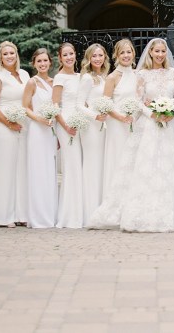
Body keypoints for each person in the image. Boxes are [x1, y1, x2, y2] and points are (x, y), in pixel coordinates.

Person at [92, 38, 174, 232]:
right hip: (149, 126)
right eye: (157, 51)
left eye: (163, 51)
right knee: (148, 167)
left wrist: (172, 113)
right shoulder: (142, 74)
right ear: (150, 53)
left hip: (171, 126)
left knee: (172, 167)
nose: (160, 54)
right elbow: (138, 100)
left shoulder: (172, 72)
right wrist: (153, 114)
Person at [0, 41, 30, 228]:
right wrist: (8, 123)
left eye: (12, 53)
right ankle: (4, 216)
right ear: (0, 57)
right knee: (6, 170)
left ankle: (21, 213)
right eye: (6, 54)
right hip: (2, 126)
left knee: (21, 169)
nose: (9, 56)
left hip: (22, 125)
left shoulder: (24, 74)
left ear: (16, 54)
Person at [22, 48, 58, 229]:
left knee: (50, 171)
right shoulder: (32, 82)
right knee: (38, 171)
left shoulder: (55, 82)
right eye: (39, 61)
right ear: (34, 64)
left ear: (50, 62)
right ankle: (38, 217)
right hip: (37, 130)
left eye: (45, 61)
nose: (43, 64)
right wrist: (39, 119)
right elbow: (25, 107)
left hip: (51, 131)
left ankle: (51, 213)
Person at [76, 43, 110, 223]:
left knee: (101, 165)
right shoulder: (87, 78)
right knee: (91, 164)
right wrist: (95, 116)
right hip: (91, 127)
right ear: (88, 58)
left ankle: (100, 208)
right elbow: (79, 104)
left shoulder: (103, 77)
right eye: (94, 56)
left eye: (100, 55)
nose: (97, 59)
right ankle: (89, 210)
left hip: (104, 126)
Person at [101, 39, 137, 194]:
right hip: (117, 125)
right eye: (122, 52)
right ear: (116, 55)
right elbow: (105, 105)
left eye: (129, 52)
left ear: (133, 54)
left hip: (134, 123)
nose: (126, 55)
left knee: (132, 160)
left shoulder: (138, 75)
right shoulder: (112, 77)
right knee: (118, 159)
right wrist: (121, 117)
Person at [54, 43, 84, 229]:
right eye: (65, 54)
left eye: (71, 54)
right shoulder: (59, 78)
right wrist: (65, 127)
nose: (69, 57)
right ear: (60, 58)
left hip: (80, 123)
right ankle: (70, 214)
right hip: (66, 124)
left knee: (80, 165)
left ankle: (82, 209)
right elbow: (55, 105)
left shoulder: (81, 77)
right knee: (71, 166)